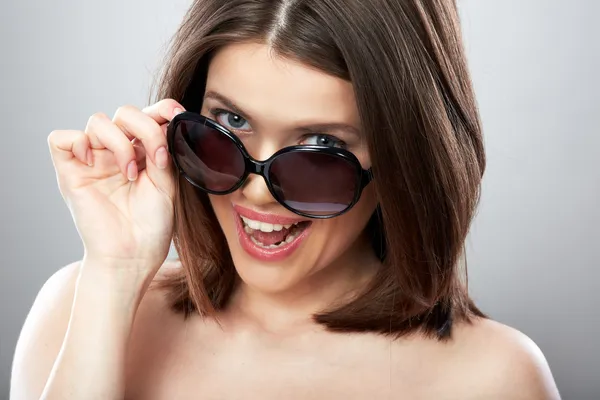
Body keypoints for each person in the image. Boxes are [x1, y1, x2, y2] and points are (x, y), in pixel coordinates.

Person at [11, 0, 561, 399]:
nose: (255, 190)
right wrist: (115, 272)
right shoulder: (80, 311)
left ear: (401, 161)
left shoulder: (493, 378)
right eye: (230, 122)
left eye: (321, 147)